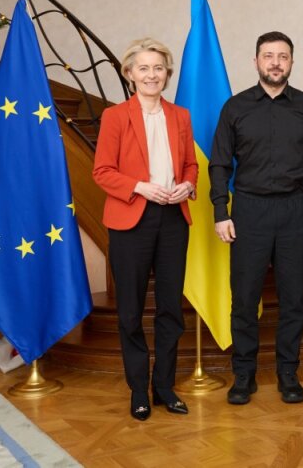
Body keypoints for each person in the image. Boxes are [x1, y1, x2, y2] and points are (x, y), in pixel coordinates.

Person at [209, 31, 303, 405]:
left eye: (282, 56)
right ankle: (243, 376)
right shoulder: (235, 107)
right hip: (248, 210)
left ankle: (288, 374)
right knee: (244, 299)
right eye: (268, 55)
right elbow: (218, 164)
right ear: (256, 61)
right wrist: (220, 211)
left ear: (292, 62)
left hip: (295, 210)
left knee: (293, 298)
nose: (275, 62)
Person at [92, 38, 198, 421]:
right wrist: (139, 186)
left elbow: (190, 166)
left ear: (167, 74)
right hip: (130, 219)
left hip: (172, 220)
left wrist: (188, 185)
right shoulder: (115, 117)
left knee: (171, 308)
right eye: (144, 68)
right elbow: (102, 171)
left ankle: (164, 386)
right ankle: (138, 389)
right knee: (131, 311)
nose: (152, 75)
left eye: (158, 68)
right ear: (130, 73)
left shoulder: (181, 116)